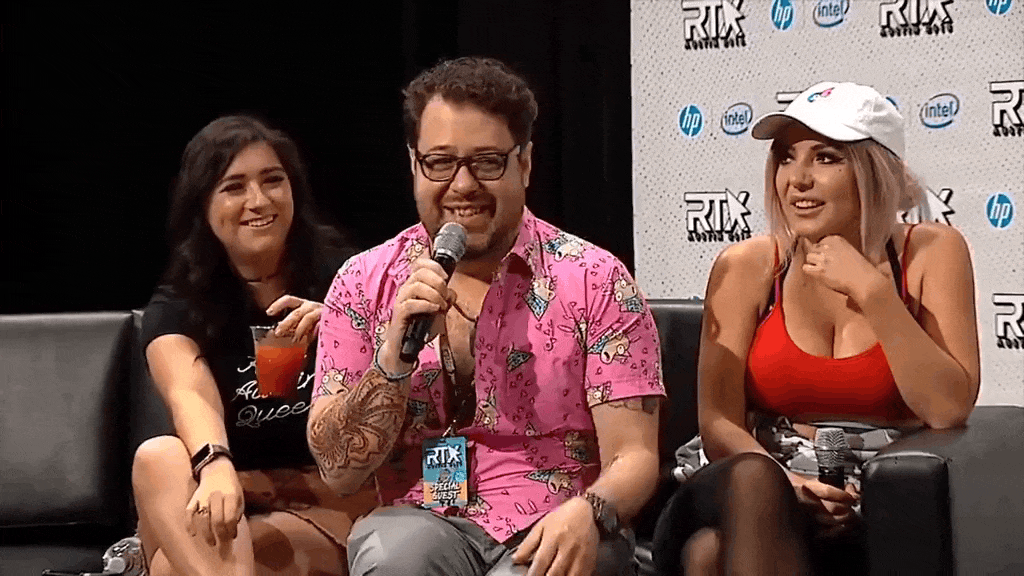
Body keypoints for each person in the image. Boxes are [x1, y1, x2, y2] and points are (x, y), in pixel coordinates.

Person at [305, 56, 665, 576]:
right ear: (413, 164)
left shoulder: (595, 279)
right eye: (440, 162)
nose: (462, 185)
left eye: (488, 162)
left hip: (556, 524)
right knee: (397, 556)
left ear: (525, 163)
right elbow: (338, 471)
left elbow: (635, 457)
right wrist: (392, 361)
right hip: (421, 522)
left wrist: (588, 512)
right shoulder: (364, 282)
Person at [651, 81, 981, 575]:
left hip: (873, 499)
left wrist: (873, 293)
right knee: (753, 486)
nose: (797, 180)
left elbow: (948, 409)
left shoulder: (933, 251)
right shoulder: (747, 265)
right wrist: (790, 486)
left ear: (875, 170)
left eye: (825, 158)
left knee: (709, 556)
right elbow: (718, 422)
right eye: (786, 158)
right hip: (746, 479)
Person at [131, 115, 377, 576]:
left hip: (326, 501)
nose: (258, 201)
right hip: (227, 495)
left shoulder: (350, 279)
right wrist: (214, 463)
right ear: (202, 205)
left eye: (272, 180)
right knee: (158, 457)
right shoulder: (181, 301)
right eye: (234, 187)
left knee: (172, 569)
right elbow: (188, 392)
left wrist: (348, 325)